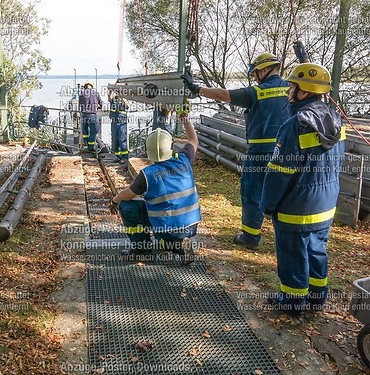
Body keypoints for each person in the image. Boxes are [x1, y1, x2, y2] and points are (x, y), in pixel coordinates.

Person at [260, 63, 345, 316]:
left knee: (292, 256)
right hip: (326, 205)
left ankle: (293, 303)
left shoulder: (294, 125)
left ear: (304, 92)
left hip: (295, 209)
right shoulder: (334, 118)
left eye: (292, 86)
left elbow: (278, 174)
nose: (288, 90)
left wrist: (267, 207)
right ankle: (318, 298)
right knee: (317, 250)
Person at [182, 53, 290, 250]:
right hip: (285, 153)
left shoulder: (257, 92)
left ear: (265, 70)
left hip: (260, 153)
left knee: (252, 191)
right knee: (283, 193)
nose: (256, 78)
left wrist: (196, 88)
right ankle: (286, 239)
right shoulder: (291, 89)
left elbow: (225, 95)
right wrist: (303, 56)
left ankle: (250, 236)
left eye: (256, 73)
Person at [111, 104, 201, 264]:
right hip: (191, 225)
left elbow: (126, 194)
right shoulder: (184, 159)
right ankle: (178, 243)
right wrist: (185, 119)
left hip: (165, 226)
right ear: (171, 148)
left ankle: (142, 250)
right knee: (169, 227)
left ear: (149, 152)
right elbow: (193, 140)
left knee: (127, 206)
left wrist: (114, 201)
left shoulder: (148, 174)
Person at [79, 81, 103, 152]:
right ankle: (90, 146)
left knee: (85, 130)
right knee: (94, 130)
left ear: (85, 86)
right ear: (92, 86)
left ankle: (86, 143)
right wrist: (97, 107)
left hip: (84, 115)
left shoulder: (82, 93)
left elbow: (80, 104)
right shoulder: (95, 93)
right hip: (92, 115)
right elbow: (101, 103)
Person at [108, 89, 129, 163]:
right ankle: (118, 157)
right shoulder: (113, 98)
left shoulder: (124, 98)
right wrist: (111, 91)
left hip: (122, 122)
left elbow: (127, 106)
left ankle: (125, 158)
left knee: (122, 139)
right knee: (115, 140)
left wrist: (123, 97)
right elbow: (109, 98)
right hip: (114, 122)